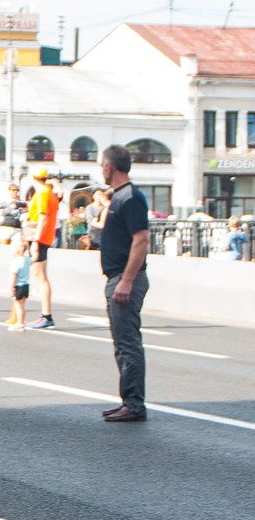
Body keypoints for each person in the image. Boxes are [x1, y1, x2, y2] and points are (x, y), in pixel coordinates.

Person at [99, 144, 150, 423]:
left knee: (128, 343)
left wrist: (126, 281)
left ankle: (134, 404)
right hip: (118, 277)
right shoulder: (120, 196)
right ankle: (128, 401)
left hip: (124, 278)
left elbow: (141, 240)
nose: (102, 170)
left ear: (110, 166)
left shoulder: (130, 197)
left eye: (102, 165)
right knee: (122, 343)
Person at [24, 168, 60, 329]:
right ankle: (45, 315)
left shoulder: (43, 193)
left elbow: (43, 218)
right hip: (44, 238)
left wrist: (36, 242)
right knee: (40, 275)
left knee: (40, 276)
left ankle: (46, 315)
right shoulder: (49, 193)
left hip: (39, 238)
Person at [7, 236, 32, 331]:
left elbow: (14, 276)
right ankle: (22, 321)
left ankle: (20, 323)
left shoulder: (15, 262)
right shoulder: (26, 260)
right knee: (22, 305)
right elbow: (34, 259)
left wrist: (11, 289)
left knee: (18, 306)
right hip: (26, 285)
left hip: (19, 286)